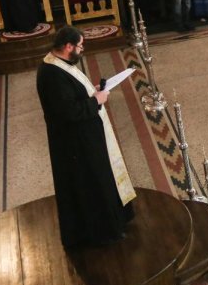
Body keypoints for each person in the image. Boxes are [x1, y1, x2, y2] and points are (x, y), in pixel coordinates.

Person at [36, 26, 136, 249]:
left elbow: (73, 96)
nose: (82, 50)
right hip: (75, 144)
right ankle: (103, 232)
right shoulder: (51, 74)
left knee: (102, 176)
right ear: (68, 46)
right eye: (80, 46)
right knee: (92, 183)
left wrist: (94, 89)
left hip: (85, 136)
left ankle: (117, 221)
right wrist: (96, 100)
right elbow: (68, 112)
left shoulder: (62, 64)